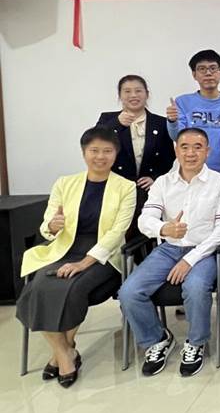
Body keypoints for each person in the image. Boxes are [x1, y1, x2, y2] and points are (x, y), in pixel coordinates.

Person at [16, 127, 136, 388]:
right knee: (37, 287)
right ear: (84, 153)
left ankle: (62, 355)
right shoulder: (64, 183)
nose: (100, 157)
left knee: (73, 287)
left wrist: (84, 263)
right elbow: (47, 224)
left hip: (103, 254)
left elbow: (117, 232)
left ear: (115, 154)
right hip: (64, 249)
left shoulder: (126, 187)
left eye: (107, 151)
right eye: (94, 151)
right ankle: (65, 353)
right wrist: (53, 226)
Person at [118, 128, 220, 377]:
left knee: (195, 287)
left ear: (207, 151)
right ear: (175, 150)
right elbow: (145, 219)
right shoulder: (163, 183)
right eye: (185, 147)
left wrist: (190, 259)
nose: (191, 153)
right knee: (128, 292)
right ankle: (157, 339)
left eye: (197, 147)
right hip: (169, 249)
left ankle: (196, 342)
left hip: (205, 251)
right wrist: (164, 228)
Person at [165, 49, 220, 183]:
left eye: (213, 68)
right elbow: (177, 137)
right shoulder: (183, 102)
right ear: (194, 75)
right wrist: (172, 121)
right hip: (193, 174)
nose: (208, 73)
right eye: (202, 69)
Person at [96, 74, 175, 206]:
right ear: (120, 95)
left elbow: (168, 156)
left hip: (147, 191)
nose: (133, 95)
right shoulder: (108, 119)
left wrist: (155, 177)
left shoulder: (161, 123)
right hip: (115, 187)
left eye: (138, 91)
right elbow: (94, 142)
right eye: (127, 91)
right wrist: (116, 124)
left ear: (147, 94)